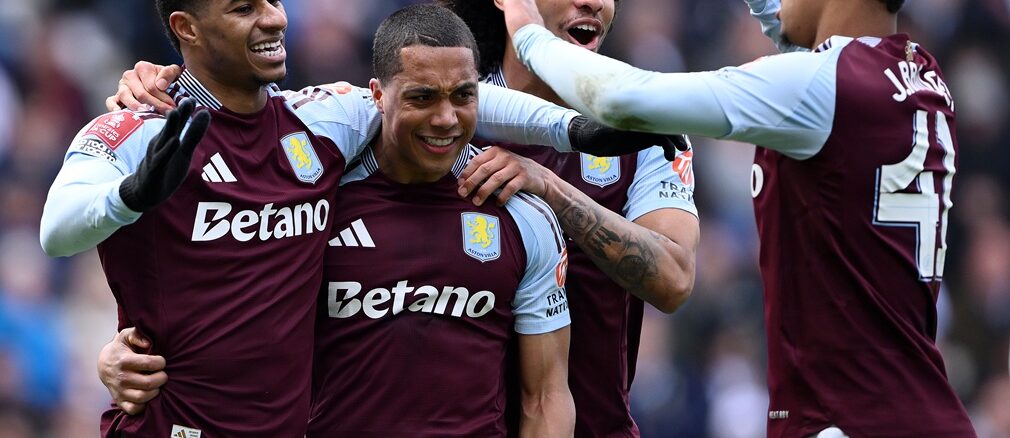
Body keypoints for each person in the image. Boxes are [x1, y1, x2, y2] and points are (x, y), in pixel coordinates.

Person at [40, 1, 661, 436]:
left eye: (272, 0)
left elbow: (445, 86)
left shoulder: (322, 123)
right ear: (186, 28)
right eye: (241, 7)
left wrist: (573, 130)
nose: (273, 17)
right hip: (172, 427)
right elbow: (56, 229)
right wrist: (128, 196)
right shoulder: (136, 128)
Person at [496, 0, 976, 436]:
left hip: (850, 420)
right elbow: (801, 34)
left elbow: (619, 100)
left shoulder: (818, 86)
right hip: (916, 408)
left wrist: (529, 32)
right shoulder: (918, 74)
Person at [308, 6, 573, 435]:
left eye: (463, 96)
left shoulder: (523, 214)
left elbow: (546, 397)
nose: (446, 118)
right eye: (423, 97)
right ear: (376, 95)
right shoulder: (317, 204)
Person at [440, 1, 699, 436]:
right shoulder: (444, 116)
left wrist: (550, 189)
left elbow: (674, 280)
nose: (594, 2)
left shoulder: (644, 126)